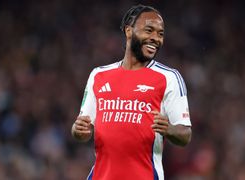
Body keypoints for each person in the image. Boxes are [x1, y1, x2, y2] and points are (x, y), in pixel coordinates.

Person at [71, 4, 192, 180]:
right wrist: (77, 130)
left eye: (160, 34)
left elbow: (185, 135)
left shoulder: (169, 78)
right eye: (149, 30)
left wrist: (169, 129)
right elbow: (82, 130)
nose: (155, 38)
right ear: (129, 31)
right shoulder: (99, 75)